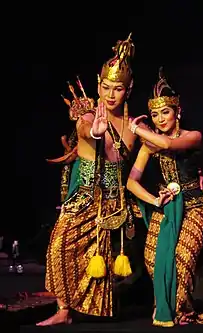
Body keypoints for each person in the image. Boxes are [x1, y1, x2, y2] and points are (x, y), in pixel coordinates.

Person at [37, 33, 146, 326]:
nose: (111, 94)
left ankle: (90, 308)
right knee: (61, 246)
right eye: (106, 87)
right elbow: (87, 131)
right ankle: (63, 309)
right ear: (98, 85)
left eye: (118, 88)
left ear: (128, 90)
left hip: (112, 198)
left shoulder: (133, 126)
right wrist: (96, 132)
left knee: (99, 255)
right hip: (83, 192)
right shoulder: (88, 115)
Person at [126, 68, 203, 327]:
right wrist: (154, 200)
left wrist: (137, 129)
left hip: (193, 207)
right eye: (155, 114)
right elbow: (131, 182)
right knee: (153, 261)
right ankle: (166, 311)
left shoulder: (193, 137)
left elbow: (169, 145)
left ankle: (183, 312)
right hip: (167, 208)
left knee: (182, 262)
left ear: (178, 112)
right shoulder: (149, 145)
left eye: (166, 112)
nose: (160, 119)